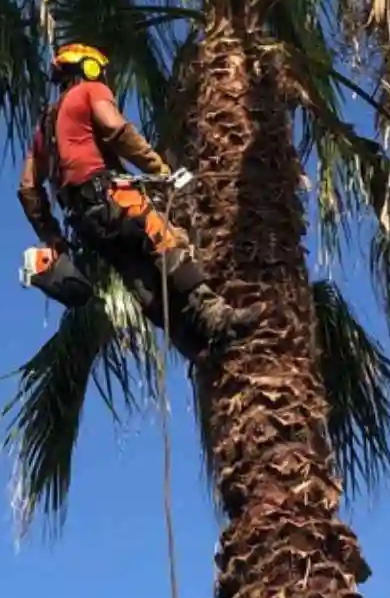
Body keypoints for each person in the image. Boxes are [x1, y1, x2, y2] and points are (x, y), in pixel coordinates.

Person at [17, 43, 264, 361]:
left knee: (140, 277)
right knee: (166, 243)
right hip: (110, 197)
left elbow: (28, 188)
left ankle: (194, 348)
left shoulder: (44, 127)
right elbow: (116, 130)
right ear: (89, 68)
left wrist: (51, 235)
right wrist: (158, 168)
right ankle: (216, 317)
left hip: (85, 223)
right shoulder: (90, 91)